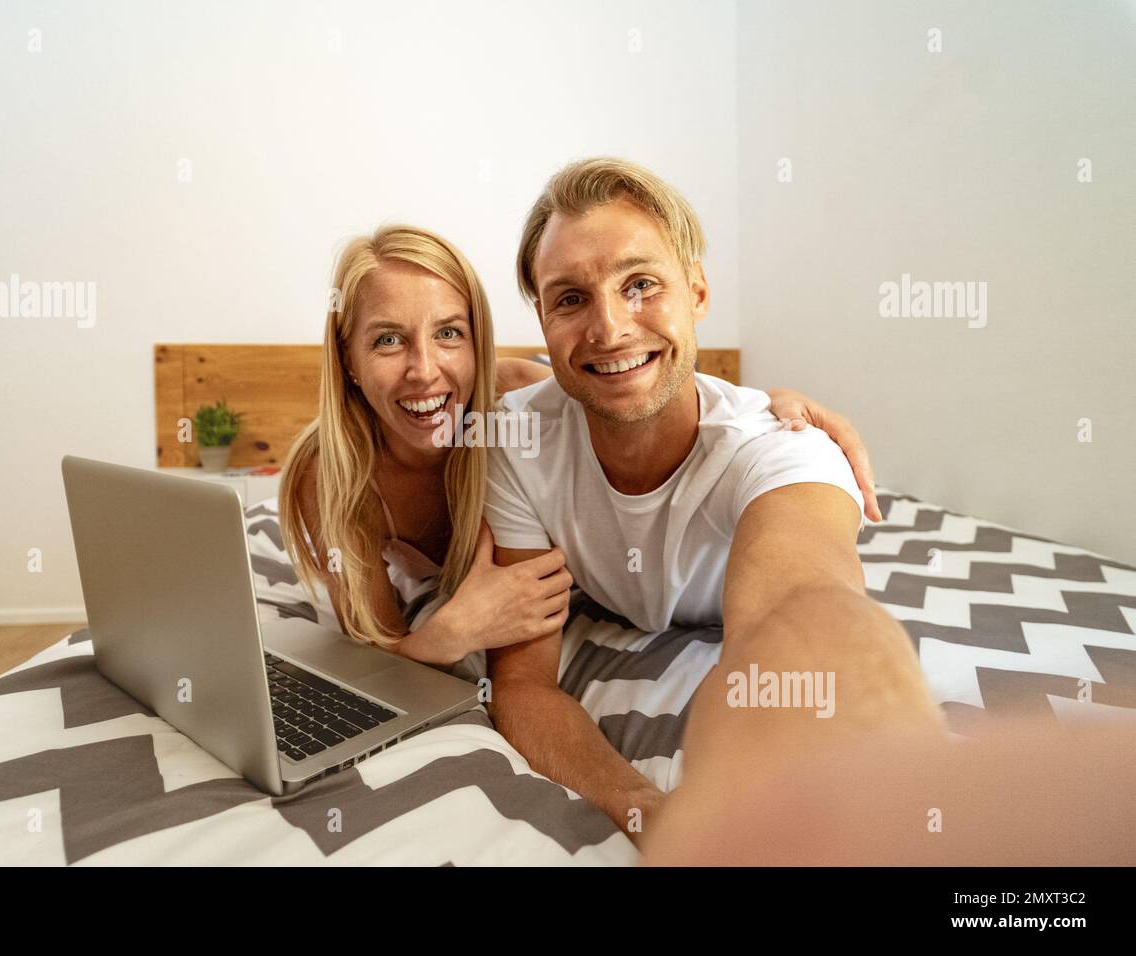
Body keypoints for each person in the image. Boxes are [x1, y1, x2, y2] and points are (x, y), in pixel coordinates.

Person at [483, 157, 943, 841]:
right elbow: (523, 686)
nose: (609, 328)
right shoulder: (515, 440)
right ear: (544, 320)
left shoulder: (783, 449)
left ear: (697, 293)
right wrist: (649, 810)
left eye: (640, 284)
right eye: (570, 299)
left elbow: (804, 605)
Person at [278, 223, 879, 677]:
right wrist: (448, 634)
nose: (425, 372)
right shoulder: (329, 476)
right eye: (387, 340)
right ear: (348, 361)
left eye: (449, 333)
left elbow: (624, 392)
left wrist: (763, 407)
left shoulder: (509, 401)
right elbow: (381, 649)